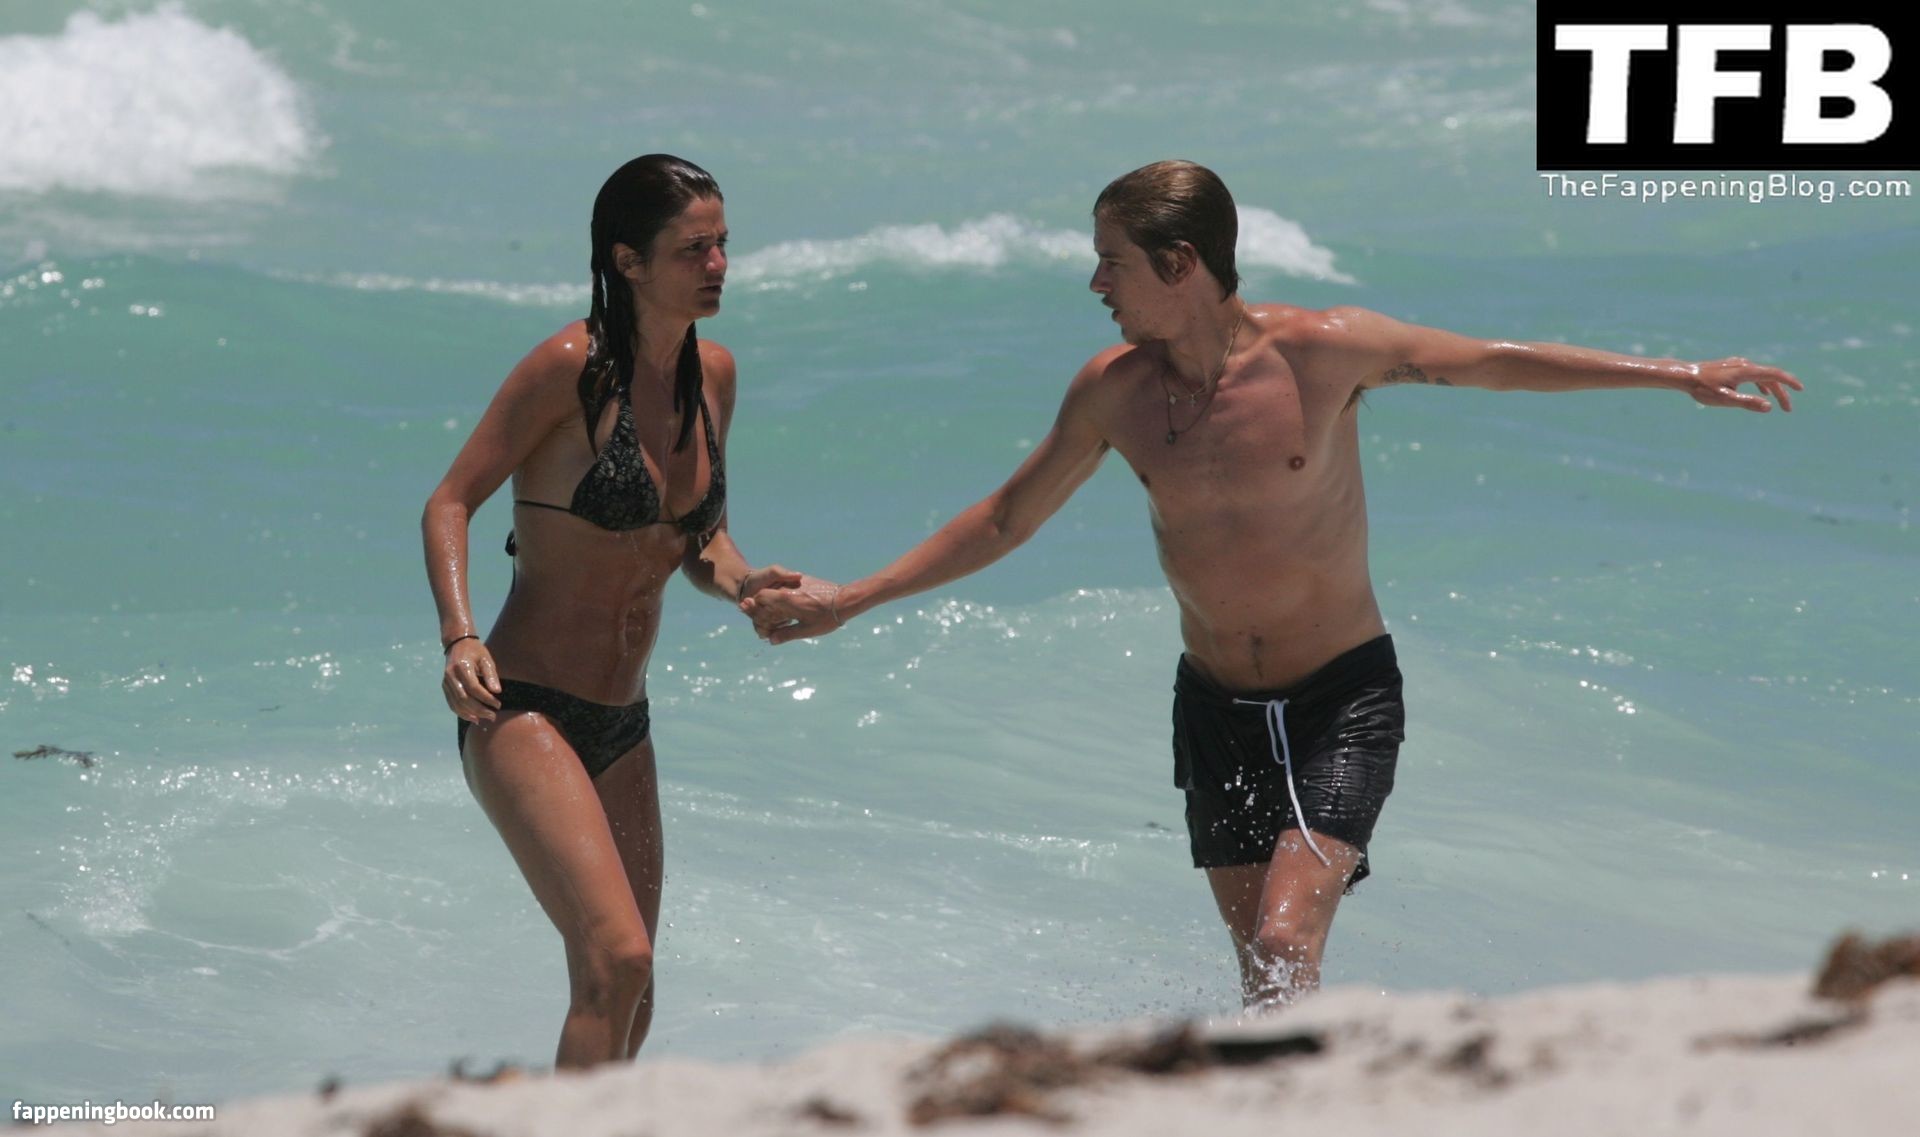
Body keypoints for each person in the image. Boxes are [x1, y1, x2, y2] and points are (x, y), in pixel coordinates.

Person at [741, 159, 1802, 1009]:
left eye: (1112, 262)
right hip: (1215, 709)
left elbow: (1490, 361)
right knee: (1263, 966)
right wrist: (850, 600)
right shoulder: (1113, 393)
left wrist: (1680, 375)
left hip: (1341, 697)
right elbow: (1006, 518)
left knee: (1288, 939)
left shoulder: (1322, 354)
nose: (1097, 285)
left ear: (1180, 263)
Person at [421, 154, 806, 1067]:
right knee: (616, 956)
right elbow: (450, 501)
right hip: (522, 708)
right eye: (692, 249)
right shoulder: (570, 367)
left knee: (634, 987)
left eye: (723, 244)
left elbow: (700, 541)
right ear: (628, 261)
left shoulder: (714, 376)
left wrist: (745, 585)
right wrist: (459, 634)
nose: (717, 266)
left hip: (624, 722)